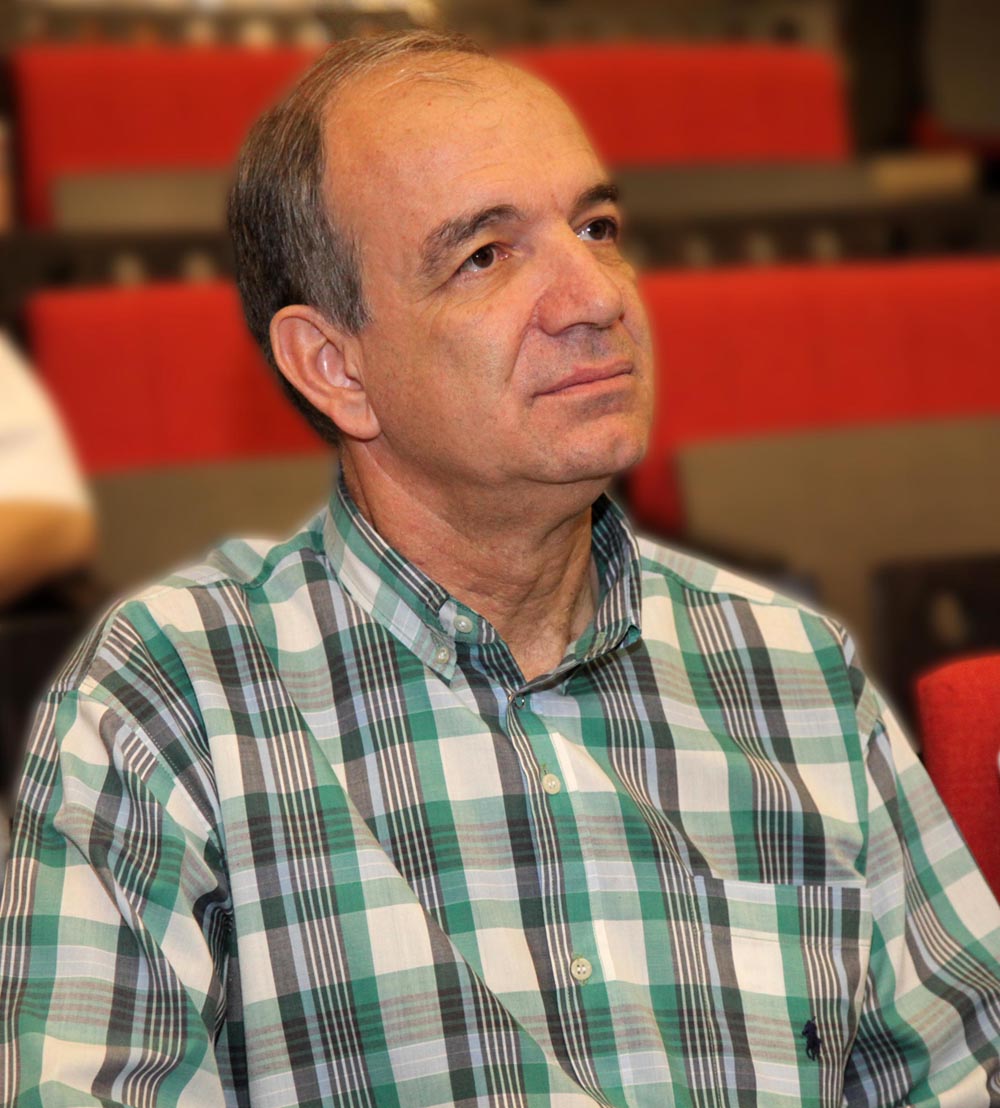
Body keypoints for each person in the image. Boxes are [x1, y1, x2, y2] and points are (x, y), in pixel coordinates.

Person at [1, 30, 997, 1108]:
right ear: (335, 366)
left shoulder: (794, 670)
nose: (596, 296)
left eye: (596, 228)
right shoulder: (168, 703)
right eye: (485, 255)